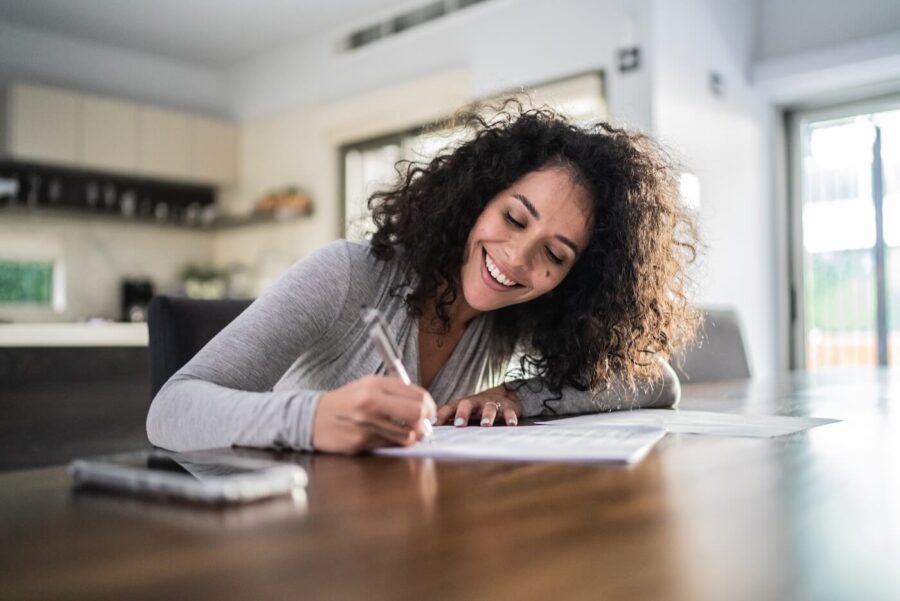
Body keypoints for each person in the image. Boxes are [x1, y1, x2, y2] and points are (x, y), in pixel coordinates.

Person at [146, 100, 699, 455]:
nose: (515, 260)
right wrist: (312, 419)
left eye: (553, 255)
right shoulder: (346, 275)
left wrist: (516, 395)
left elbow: (657, 382)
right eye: (513, 218)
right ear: (478, 197)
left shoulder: (512, 315)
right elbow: (170, 409)